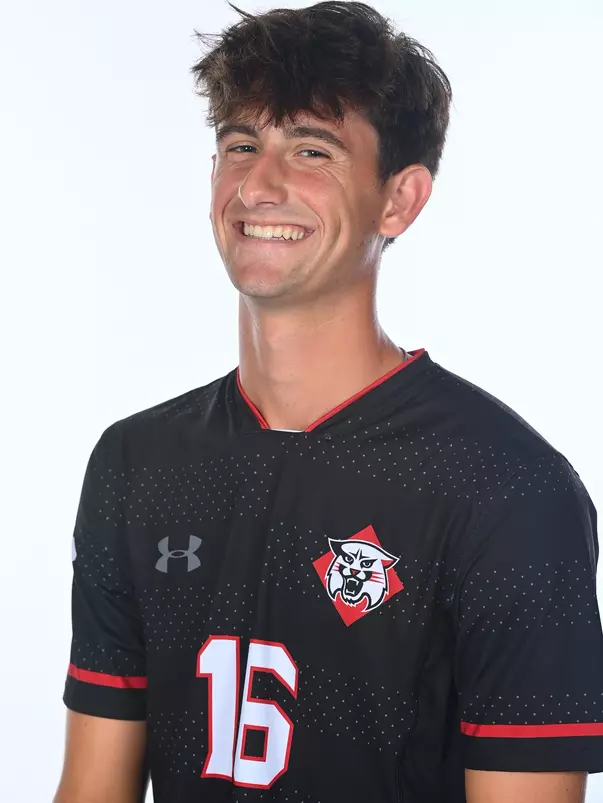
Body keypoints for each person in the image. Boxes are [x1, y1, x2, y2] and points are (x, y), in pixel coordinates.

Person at [53, 2, 603, 802]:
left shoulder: (507, 488)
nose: (260, 183)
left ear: (399, 201)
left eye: (311, 149)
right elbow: (90, 789)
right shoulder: (136, 461)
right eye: (241, 145)